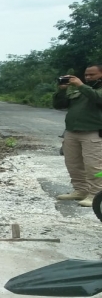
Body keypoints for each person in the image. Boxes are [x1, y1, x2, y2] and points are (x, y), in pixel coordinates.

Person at [53, 65, 102, 207]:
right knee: (73, 164)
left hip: (94, 133)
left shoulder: (88, 90)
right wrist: (62, 90)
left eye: (92, 75)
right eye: (86, 75)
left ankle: (96, 194)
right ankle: (81, 190)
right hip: (72, 132)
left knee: (94, 166)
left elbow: (98, 98)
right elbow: (59, 105)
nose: (88, 77)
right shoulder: (80, 91)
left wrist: (81, 85)